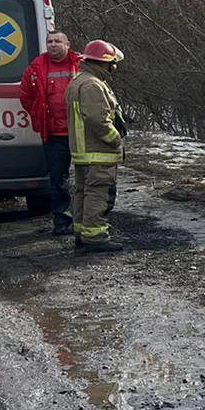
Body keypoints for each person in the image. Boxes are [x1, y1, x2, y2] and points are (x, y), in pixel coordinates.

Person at [64, 39, 126, 254]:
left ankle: (82, 233)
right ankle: (95, 237)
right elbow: (97, 119)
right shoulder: (92, 85)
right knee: (97, 193)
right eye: (113, 64)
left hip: (83, 152)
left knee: (83, 192)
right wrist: (115, 139)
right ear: (105, 63)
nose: (114, 68)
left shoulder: (79, 80)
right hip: (97, 151)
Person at [19, 31, 82, 234]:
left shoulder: (80, 64)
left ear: (67, 44)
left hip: (81, 133)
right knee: (58, 181)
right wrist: (39, 115)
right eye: (50, 41)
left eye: (57, 41)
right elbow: (26, 96)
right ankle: (62, 223)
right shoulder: (36, 68)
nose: (53, 44)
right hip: (54, 134)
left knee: (87, 179)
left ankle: (86, 222)